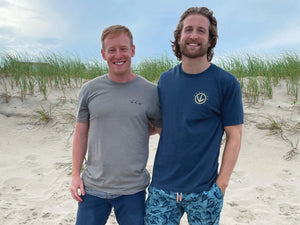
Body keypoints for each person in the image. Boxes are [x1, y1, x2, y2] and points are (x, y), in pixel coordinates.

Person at [145, 7, 244, 225]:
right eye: (188, 29)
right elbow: (164, 126)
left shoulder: (225, 83)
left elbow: (234, 136)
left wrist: (221, 186)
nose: (193, 35)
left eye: (201, 31)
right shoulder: (165, 80)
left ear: (210, 40)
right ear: (179, 36)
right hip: (162, 189)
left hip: (204, 192)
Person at [70, 25, 162, 225]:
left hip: (133, 190)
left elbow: (162, 130)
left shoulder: (150, 92)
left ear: (133, 50)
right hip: (93, 186)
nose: (118, 55)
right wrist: (75, 174)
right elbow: (80, 133)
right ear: (103, 54)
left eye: (123, 48)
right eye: (112, 50)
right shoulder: (89, 90)